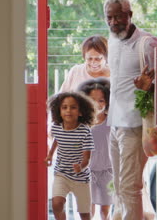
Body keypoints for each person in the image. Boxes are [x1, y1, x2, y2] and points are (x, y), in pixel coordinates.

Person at [103, 0, 157, 220]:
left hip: (135, 125)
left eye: (119, 16)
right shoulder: (112, 40)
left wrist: (150, 86)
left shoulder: (148, 43)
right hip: (114, 123)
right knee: (118, 187)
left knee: (129, 187)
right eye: (109, 17)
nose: (114, 22)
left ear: (130, 15)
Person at [45, 92, 96, 220]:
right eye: (64, 107)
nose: (68, 110)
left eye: (73, 107)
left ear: (80, 112)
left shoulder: (85, 131)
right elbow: (57, 140)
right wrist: (50, 155)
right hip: (61, 173)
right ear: (59, 111)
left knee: (84, 214)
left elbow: (87, 158)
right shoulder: (56, 127)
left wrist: (81, 166)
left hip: (81, 178)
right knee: (56, 204)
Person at [77, 78, 113, 220]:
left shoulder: (112, 120)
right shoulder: (80, 123)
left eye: (101, 100)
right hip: (86, 170)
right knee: (87, 208)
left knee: (106, 208)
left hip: (109, 170)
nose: (97, 104)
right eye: (92, 100)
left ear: (107, 101)